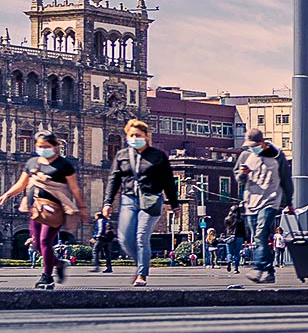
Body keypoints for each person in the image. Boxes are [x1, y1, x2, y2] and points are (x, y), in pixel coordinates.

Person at [3, 132, 87, 290]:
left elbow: (75, 188)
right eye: (40, 146)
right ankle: (59, 263)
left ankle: (47, 277)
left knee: (44, 241)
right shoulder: (32, 162)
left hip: (55, 210)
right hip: (36, 208)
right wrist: (6, 195)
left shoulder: (64, 165)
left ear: (55, 146)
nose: (43, 149)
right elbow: (21, 184)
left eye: (47, 147)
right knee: (36, 245)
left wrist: (82, 207)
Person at [105, 119, 180, 287]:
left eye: (138, 135)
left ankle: (142, 273)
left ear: (146, 136)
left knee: (141, 237)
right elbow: (113, 179)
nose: (134, 138)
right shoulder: (122, 155)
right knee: (124, 239)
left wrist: (174, 205)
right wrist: (107, 203)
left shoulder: (158, 156)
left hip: (151, 199)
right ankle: (141, 259)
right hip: (128, 199)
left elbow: (168, 181)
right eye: (131, 135)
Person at [233, 129, 288, 283]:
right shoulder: (245, 156)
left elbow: (285, 178)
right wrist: (243, 174)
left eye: (254, 145)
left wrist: (288, 202)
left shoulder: (276, 156)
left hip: (271, 200)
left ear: (262, 142)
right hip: (251, 202)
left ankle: (258, 268)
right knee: (258, 238)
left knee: (260, 233)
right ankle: (269, 270)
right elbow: (239, 178)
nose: (252, 148)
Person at [89, 208, 115, 273]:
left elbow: (100, 230)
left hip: (101, 238)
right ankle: (109, 268)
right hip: (108, 239)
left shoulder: (100, 220)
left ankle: (96, 266)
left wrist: (95, 237)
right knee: (107, 253)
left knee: (95, 251)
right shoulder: (106, 220)